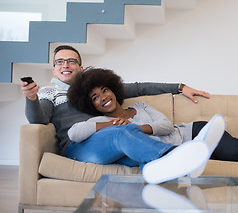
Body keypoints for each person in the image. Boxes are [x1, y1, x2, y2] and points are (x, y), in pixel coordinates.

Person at [67, 68, 238, 170]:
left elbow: (166, 126)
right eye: (94, 98)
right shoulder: (97, 126)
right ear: (90, 105)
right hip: (188, 152)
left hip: (192, 134)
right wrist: (112, 124)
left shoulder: (140, 106)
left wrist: (136, 125)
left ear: (113, 89)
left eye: (104, 90)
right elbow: (74, 134)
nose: (102, 97)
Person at [20, 45, 210, 158]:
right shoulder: (49, 92)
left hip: (110, 139)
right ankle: (180, 155)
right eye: (59, 62)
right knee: (123, 132)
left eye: (71, 61)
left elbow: (139, 87)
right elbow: (39, 120)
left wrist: (179, 87)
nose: (66, 65)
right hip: (78, 144)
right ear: (54, 70)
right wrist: (31, 98)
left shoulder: (96, 89)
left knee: (131, 143)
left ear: (80, 67)